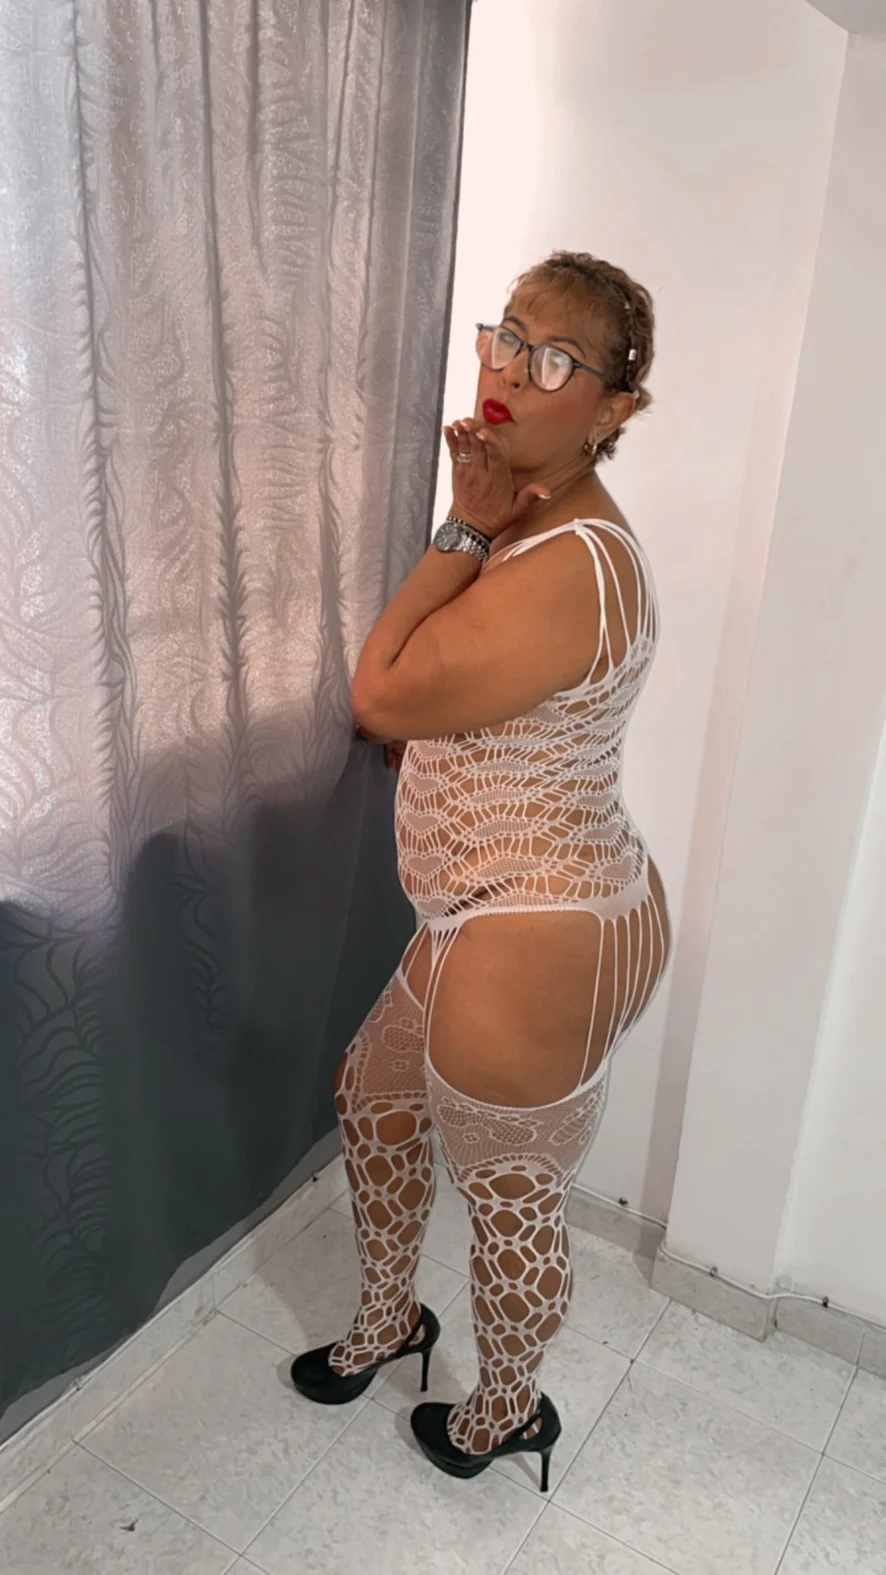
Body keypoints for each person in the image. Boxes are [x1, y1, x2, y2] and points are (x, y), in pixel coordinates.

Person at [290, 250, 671, 1492]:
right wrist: (487, 518)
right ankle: (392, 1320)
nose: (510, 370)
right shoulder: (531, 520)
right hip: (492, 904)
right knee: (373, 1097)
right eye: (506, 336)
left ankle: (507, 1411)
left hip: (541, 922)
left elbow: (380, 694)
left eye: (555, 359)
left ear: (611, 409)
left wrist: (462, 523)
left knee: (508, 1198)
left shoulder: (564, 562)